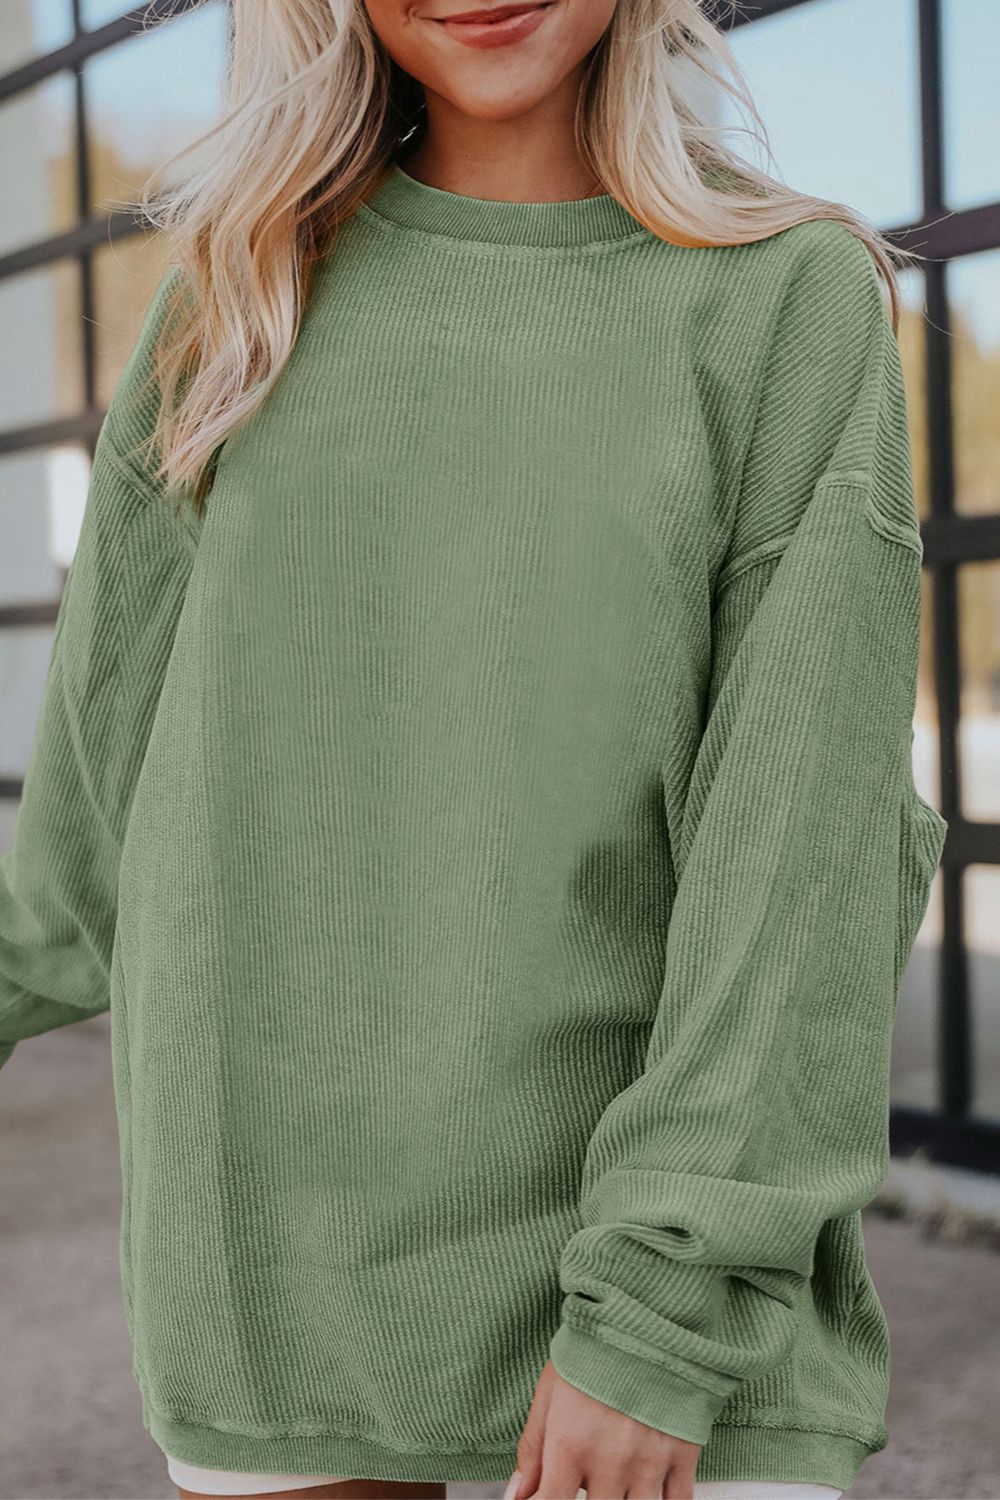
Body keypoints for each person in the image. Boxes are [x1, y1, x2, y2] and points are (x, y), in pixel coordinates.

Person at [0, 1, 948, 1498]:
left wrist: (662, 1311)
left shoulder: (786, 300)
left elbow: (804, 856)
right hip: (271, 1260)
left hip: (658, 1287)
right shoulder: (235, 302)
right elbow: (80, 846)